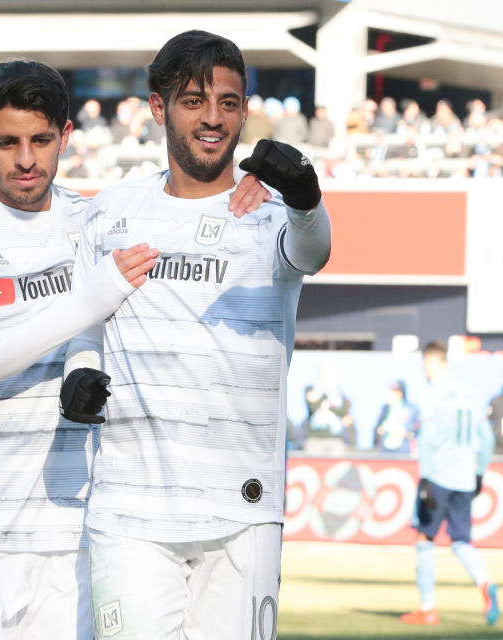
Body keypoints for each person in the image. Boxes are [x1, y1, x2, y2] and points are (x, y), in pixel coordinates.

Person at [0, 58, 270, 640]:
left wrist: (249, 187)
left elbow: (193, 205)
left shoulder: (100, 219)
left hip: (74, 522)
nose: (26, 159)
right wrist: (86, 300)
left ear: (66, 136)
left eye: (42, 140)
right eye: (6, 142)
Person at [66, 30, 331, 640]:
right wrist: (77, 373)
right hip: (130, 509)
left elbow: (314, 252)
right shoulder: (110, 211)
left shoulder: (271, 213)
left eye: (229, 103)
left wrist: (307, 196)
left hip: (241, 507)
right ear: (159, 109)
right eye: (193, 101)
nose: (213, 119)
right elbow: (84, 323)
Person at [401, 341, 498, 627]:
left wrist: (427, 479)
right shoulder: (470, 394)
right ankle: (485, 583)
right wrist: (480, 472)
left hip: (439, 475)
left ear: (431, 364)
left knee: (424, 538)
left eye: (424, 367)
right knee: (460, 540)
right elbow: (489, 440)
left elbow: (428, 440)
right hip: (466, 477)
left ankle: (428, 608)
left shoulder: (431, 397)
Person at [302, 364, 356, 454]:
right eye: (325, 375)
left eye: (331, 376)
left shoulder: (340, 395)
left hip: (336, 439)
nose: (328, 379)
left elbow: (343, 411)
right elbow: (313, 407)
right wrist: (326, 398)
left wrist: (326, 405)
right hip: (315, 439)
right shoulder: (311, 390)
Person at [374, 380, 418, 454]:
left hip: (402, 450)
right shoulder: (386, 408)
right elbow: (378, 427)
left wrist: (404, 433)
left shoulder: (411, 409)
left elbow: (415, 430)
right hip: (385, 449)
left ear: (400, 393)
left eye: (394, 391)